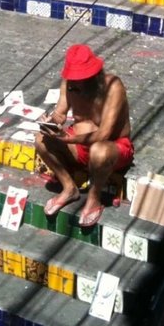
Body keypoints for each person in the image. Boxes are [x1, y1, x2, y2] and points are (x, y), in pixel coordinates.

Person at [35, 43, 134, 227]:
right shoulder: (69, 82)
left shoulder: (113, 86)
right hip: (80, 146)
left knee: (99, 150)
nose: (77, 84)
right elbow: (60, 113)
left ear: (94, 76)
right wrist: (50, 122)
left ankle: (94, 199)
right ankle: (69, 188)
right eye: (74, 81)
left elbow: (105, 133)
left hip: (112, 148)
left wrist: (70, 139)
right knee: (41, 140)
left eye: (83, 80)